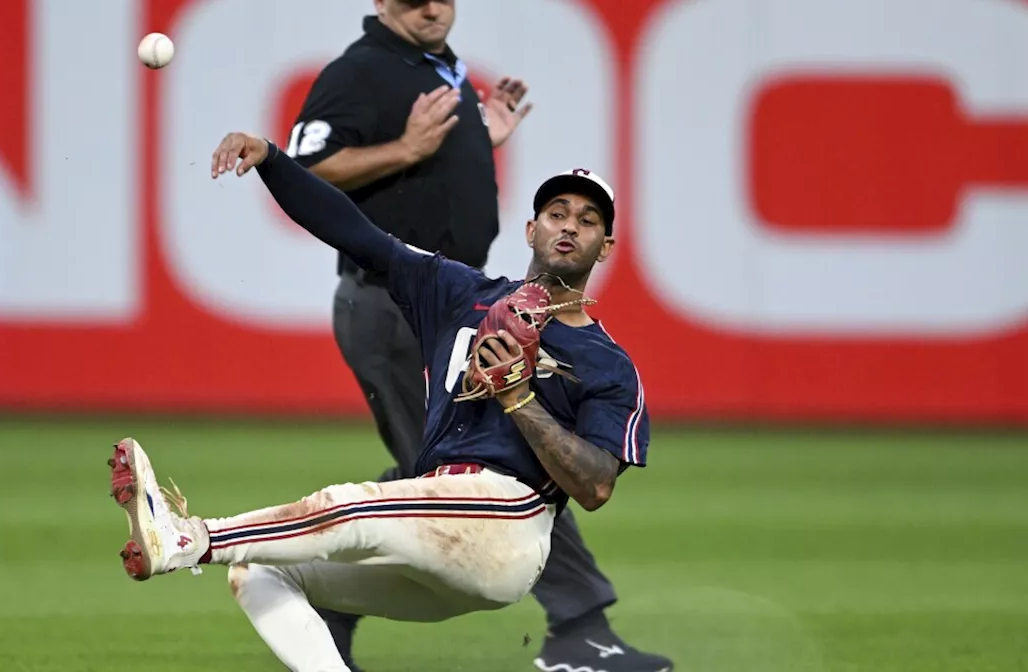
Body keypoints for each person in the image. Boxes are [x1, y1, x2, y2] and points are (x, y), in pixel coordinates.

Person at [104, 131, 654, 672]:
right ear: (532, 228)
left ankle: (187, 537)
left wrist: (518, 400)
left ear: (604, 246)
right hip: (438, 519)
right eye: (558, 213)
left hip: (508, 519)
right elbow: (358, 235)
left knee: (347, 504)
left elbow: (596, 485)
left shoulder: (608, 363)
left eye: (588, 221)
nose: (570, 227)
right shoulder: (460, 292)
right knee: (261, 571)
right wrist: (273, 161)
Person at [286, 2, 673, 670]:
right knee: (500, 467)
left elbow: (421, 177)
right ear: (380, 2)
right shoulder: (362, 72)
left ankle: (331, 602)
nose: (432, 6)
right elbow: (305, 171)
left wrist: (475, 137)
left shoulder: (435, 66)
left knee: (443, 466)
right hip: (400, 306)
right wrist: (407, 148)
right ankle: (579, 633)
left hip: (447, 307)